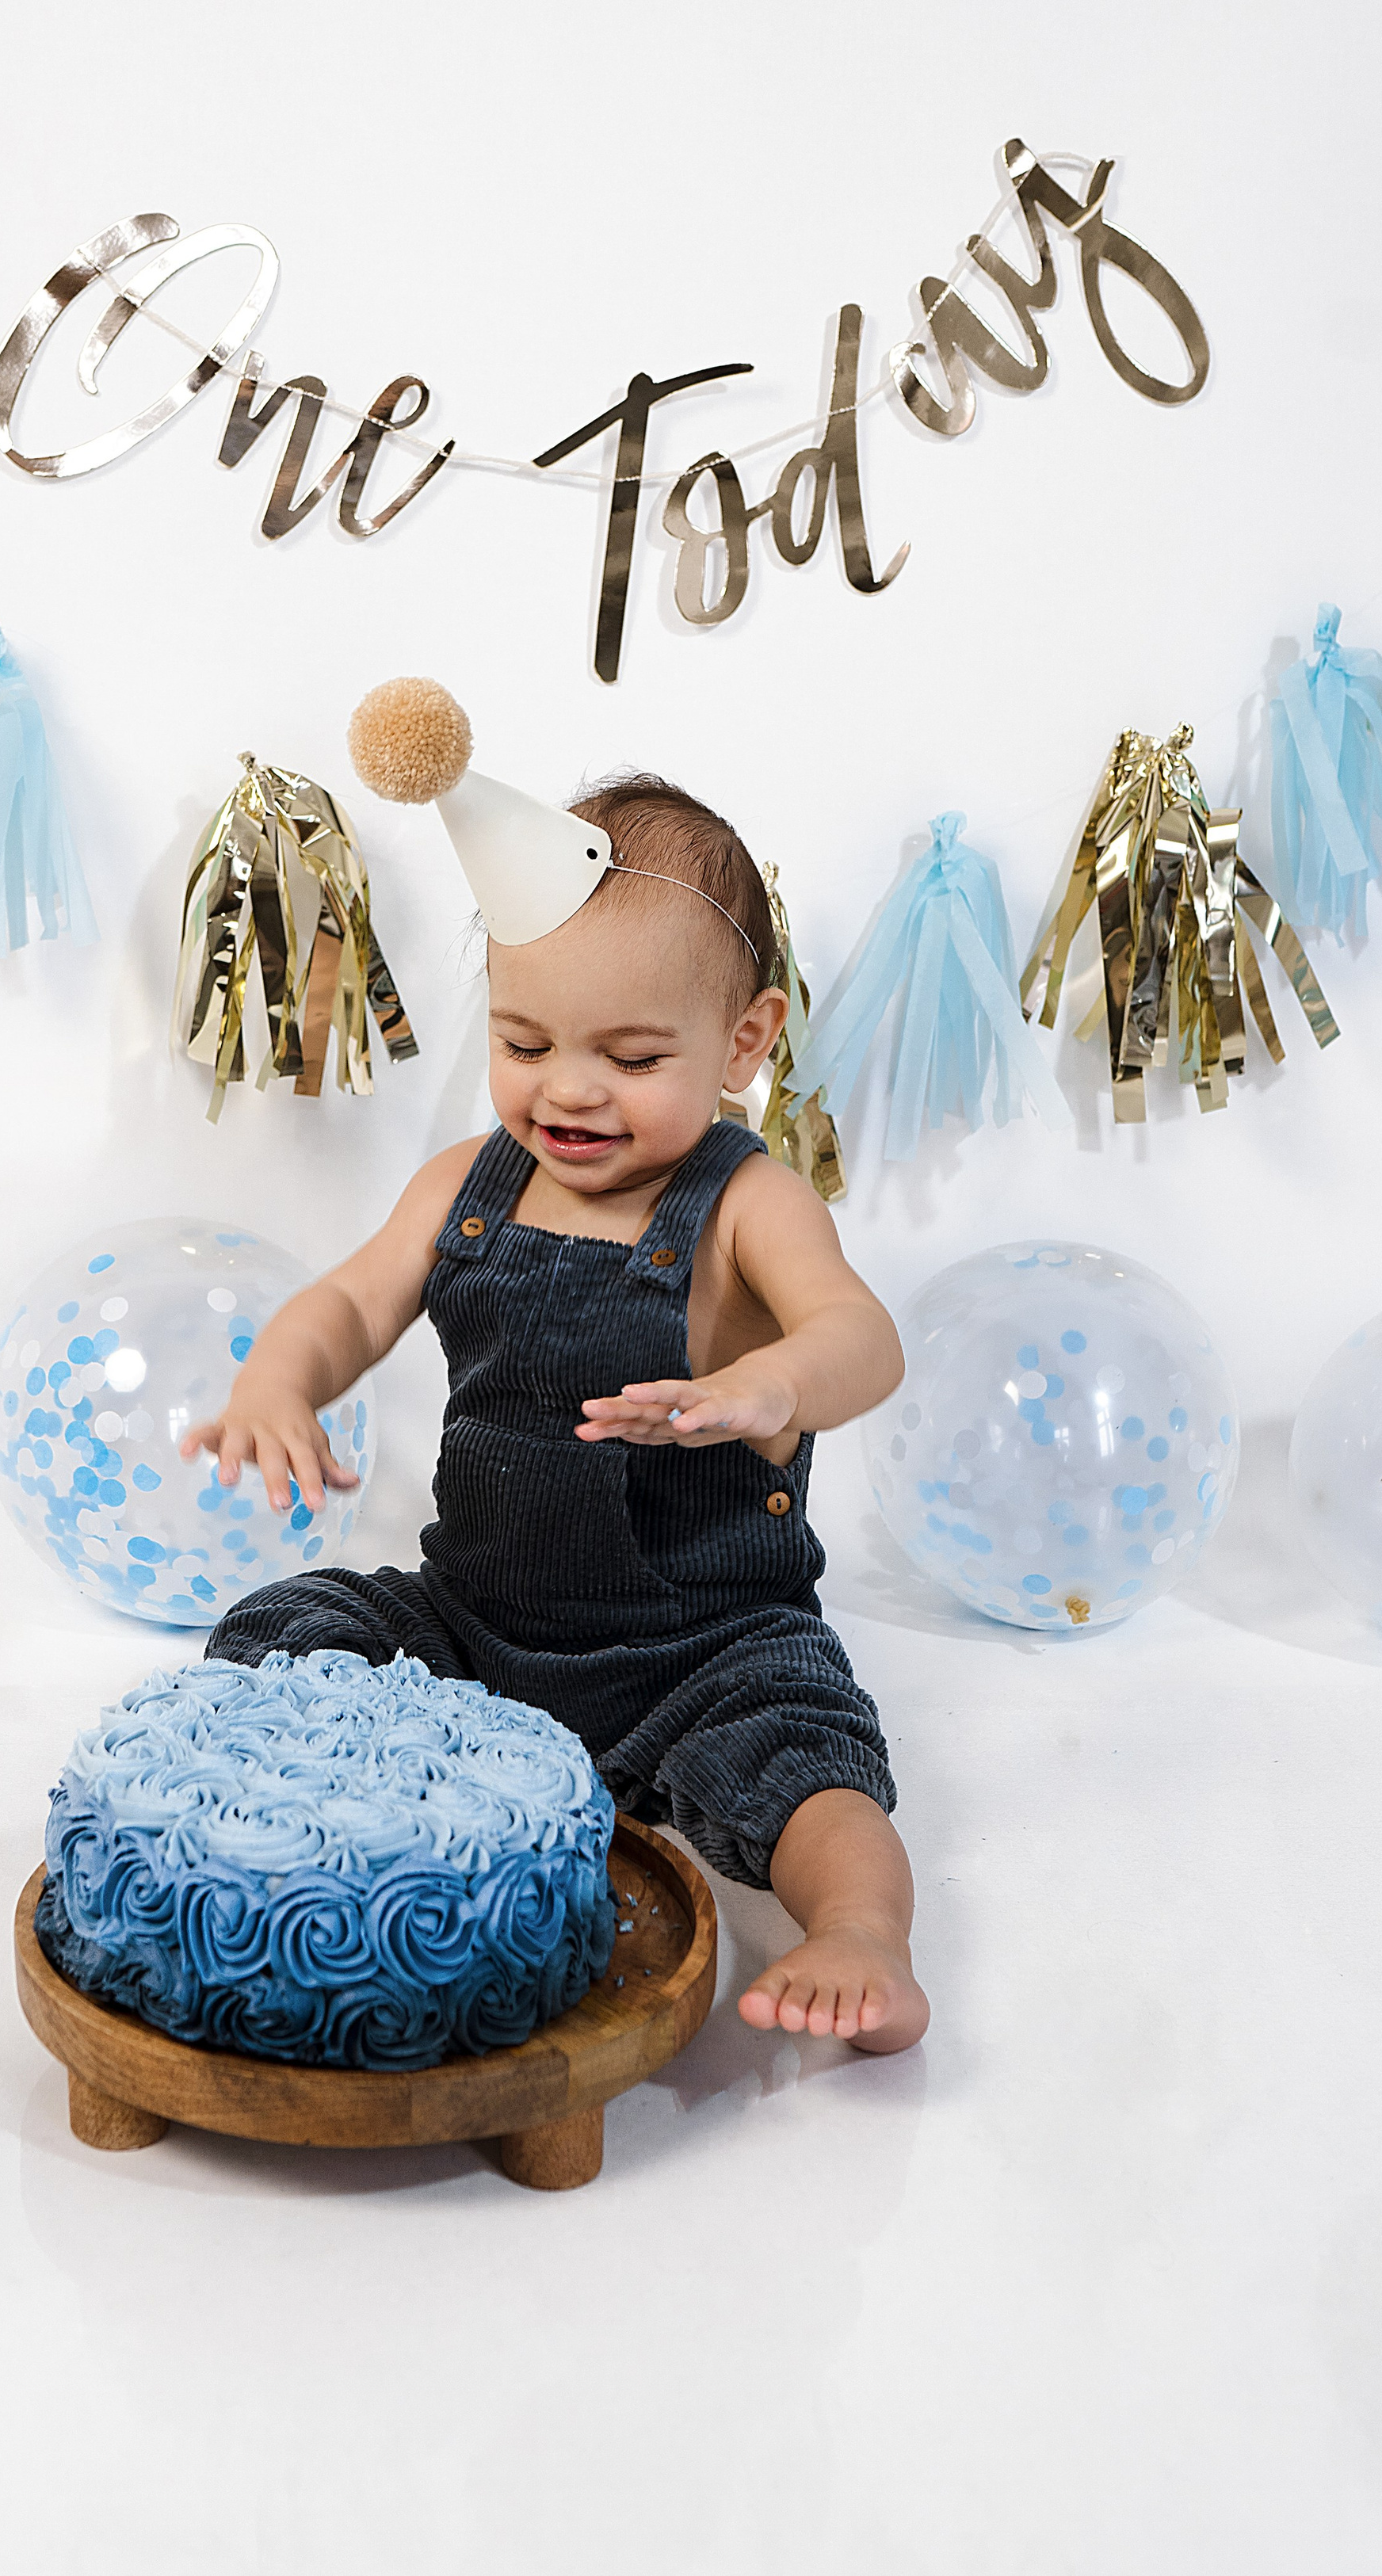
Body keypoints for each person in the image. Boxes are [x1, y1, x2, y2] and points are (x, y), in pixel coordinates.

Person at [182, 740, 928, 2054]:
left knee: (809, 1768)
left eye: (633, 1059)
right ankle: (381, 1842)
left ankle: (860, 1936)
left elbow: (864, 1338)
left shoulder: (745, 1202)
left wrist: (769, 1382)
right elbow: (354, 1302)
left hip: (703, 1643)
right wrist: (277, 1379)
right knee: (280, 1630)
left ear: (745, 1038)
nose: (569, 1089)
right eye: (525, 1042)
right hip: (480, 1627)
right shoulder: (466, 1181)